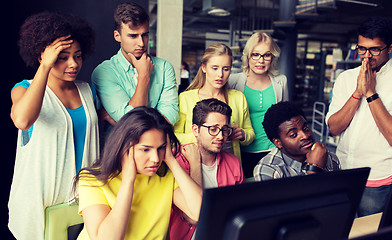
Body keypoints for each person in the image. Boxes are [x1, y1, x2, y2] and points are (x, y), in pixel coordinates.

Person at [8, 12, 99, 240]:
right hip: (42, 202)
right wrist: (46, 66)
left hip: (83, 201)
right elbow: (22, 120)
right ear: (42, 56)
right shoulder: (24, 89)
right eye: (62, 57)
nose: (73, 64)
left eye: (77, 56)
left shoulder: (88, 91)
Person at [75, 107, 202, 240]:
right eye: (146, 149)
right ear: (124, 147)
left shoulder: (164, 175)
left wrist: (171, 161)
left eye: (161, 148)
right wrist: (128, 181)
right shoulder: (91, 181)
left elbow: (200, 212)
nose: (156, 158)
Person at [326, 16, 392, 217]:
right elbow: (333, 128)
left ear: (389, 48)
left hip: (378, 178)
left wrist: (371, 93)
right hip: (343, 172)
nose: (366, 56)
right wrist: (357, 92)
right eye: (362, 48)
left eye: (374, 49)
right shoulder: (345, 78)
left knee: (370, 235)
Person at [92, 2, 178, 126]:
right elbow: (129, 121)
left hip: (157, 145)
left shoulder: (164, 68)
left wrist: (122, 122)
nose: (141, 43)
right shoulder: (104, 72)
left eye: (145, 35)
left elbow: (171, 114)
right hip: (121, 145)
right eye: (133, 36)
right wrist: (144, 75)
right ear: (117, 36)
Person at [170, 98, 244, 240]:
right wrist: (195, 164)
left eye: (225, 130)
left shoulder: (233, 163)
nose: (221, 136)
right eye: (213, 129)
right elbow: (193, 216)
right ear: (195, 130)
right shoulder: (175, 161)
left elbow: (240, 212)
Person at [174, 43, 255, 163]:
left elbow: (251, 134)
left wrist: (243, 135)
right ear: (204, 67)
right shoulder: (185, 98)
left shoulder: (238, 98)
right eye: (215, 68)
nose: (220, 74)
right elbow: (174, 136)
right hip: (195, 165)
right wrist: (203, 136)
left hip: (230, 168)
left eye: (226, 69)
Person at [228, 32, 289, 178]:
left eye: (266, 55)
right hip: (242, 151)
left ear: (272, 58)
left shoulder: (281, 81)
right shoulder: (233, 81)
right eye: (255, 54)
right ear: (248, 57)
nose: (260, 60)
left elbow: (286, 117)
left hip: (273, 151)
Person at [254, 102, 340, 181]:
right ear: (278, 142)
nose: (305, 136)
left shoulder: (329, 158)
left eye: (305, 129)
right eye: (293, 135)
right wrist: (314, 169)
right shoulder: (268, 169)